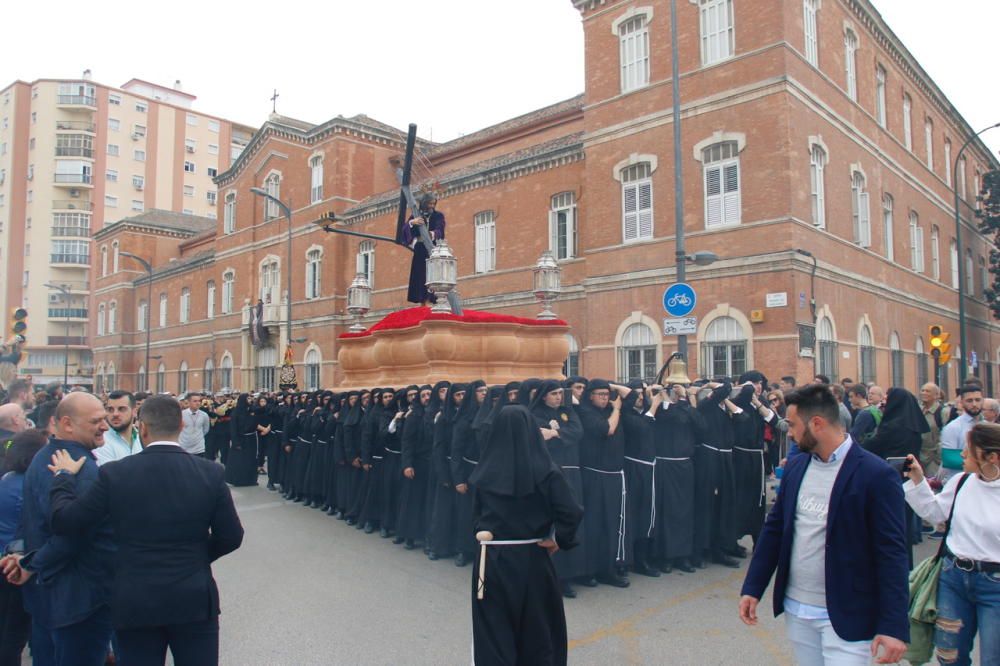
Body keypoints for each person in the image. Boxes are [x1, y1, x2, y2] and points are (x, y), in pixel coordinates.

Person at [45, 394, 244, 666]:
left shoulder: (115, 474)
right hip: (193, 597)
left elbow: (66, 521)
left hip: (135, 596)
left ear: (143, 427)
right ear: (181, 427)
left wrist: (63, 478)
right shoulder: (209, 472)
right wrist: (197, 557)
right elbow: (232, 536)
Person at [738, 384, 909, 666]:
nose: (789, 432)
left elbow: (892, 553)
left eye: (793, 425)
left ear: (816, 423)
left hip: (848, 616)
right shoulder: (797, 465)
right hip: (797, 610)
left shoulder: (876, 475)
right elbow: (775, 528)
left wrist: (893, 625)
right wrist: (753, 587)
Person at [3, 393, 115, 666]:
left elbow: (29, 521)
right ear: (67, 423)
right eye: (96, 421)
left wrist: (22, 557)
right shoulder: (81, 469)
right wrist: (30, 563)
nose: (105, 426)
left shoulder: (42, 456)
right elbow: (72, 534)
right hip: (79, 603)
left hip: (47, 598)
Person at [468, 405, 583, 666]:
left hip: (492, 559)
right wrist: (559, 539)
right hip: (533, 558)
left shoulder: (483, 472)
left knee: (494, 633)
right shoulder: (548, 471)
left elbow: (475, 519)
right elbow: (571, 511)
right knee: (537, 630)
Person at [902, 422, 1000, 666]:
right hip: (953, 578)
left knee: (993, 658)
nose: (963, 454)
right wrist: (917, 479)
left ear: (992, 456)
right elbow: (935, 513)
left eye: (969, 448)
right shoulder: (962, 482)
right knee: (949, 657)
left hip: (995, 586)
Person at [577, 379, 631, 588]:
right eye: (600, 394)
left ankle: (609, 568)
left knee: (613, 524)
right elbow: (606, 429)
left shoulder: (609, 407)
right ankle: (590, 570)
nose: (604, 398)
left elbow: (632, 396)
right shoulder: (585, 412)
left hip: (614, 475)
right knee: (595, 525)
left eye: (607, 394)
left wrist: (614, 387)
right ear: (590, 396)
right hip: (595, 476)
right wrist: (616, 409)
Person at [0, 429, 46, 666]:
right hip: (17, 563)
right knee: (15, 634)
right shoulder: (29, 484)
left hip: (4, 558)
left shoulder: (7, 480)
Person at [402, 193, 446, 305]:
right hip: (420, 249)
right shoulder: (416, 215)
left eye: (433, 204)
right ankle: (422, 301)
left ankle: (432, 300)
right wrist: (413, 222)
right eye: (429, 203)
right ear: (424, 204)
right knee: (420, 275)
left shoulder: (438, 215)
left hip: (433, 249)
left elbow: (440, 229)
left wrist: (432, 234)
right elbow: (405, 228)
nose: (431, 206)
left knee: (432, 274)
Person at [939, 385, 984, 482]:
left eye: (977, 400)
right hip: (959, 481)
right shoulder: (953, 427)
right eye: (969, 401)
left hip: (983, 480)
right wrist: (984, 462)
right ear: (962, 402)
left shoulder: (987, 425)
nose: (974, 404)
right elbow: (949, 459)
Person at [95, 390, 142, 466]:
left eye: (121, 409)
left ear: (134, 412)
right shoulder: (101, 441)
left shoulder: (141, 439)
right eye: (110, 409)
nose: (115, 414)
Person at [226, 395, 259, 487]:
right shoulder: (236, 413)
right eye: (248, 398)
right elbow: (233, 429)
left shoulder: (251, 410)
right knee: (240, 461)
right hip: (241, 439)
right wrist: (236, 442)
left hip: (251, 438)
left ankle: (251, 479)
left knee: (251, 459)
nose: (250, 400)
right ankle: (239, 480)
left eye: (250, 398)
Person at [919, 383, 945, 478]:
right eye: (923, 390)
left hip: (933, 459)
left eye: (928, 391)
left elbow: (944, 435)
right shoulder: (919, 410)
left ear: (936, 395)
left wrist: (937, 456)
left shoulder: (942, 412)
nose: (924, 393)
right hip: (919, 456)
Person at [179, 392, 210, 457]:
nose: (198, 403)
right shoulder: (181, 414)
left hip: (199, 448)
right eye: (195, 401)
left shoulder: (204, 415)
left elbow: (206, 429)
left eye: (199, 401)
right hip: (184, 448)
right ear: (189, 402)